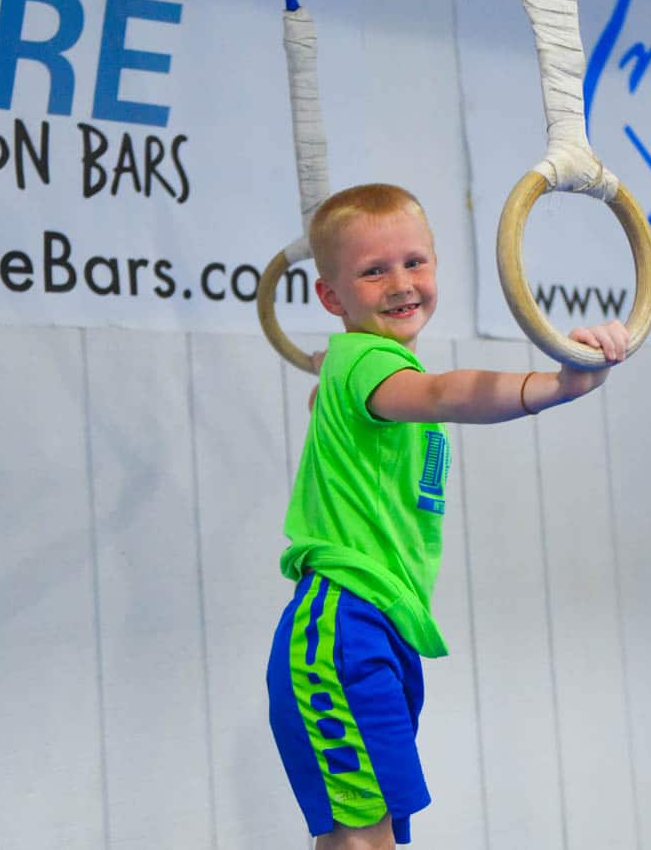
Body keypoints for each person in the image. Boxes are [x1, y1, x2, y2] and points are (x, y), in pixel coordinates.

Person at [266, 183, 629, 849]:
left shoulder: (358, 368)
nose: (401, 283)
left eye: (415, 262)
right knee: (361, 839)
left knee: (364, 835)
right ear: (332, 297)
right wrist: (554, 386)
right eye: (373, 271)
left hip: (383, 626)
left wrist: (331, 396)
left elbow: (356, 408)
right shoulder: (373, 361)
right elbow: (442, 393)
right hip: (344, 626)